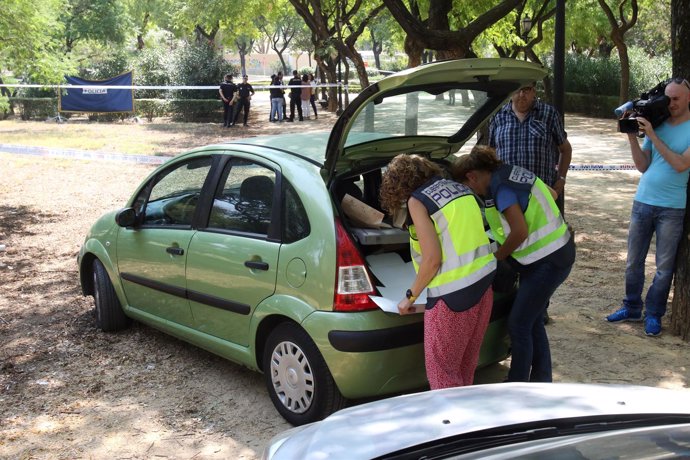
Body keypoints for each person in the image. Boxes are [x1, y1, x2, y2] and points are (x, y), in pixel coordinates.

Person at [454, 145, 575, 383]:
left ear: (472, 176)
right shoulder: (510, 172)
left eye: (469, 187)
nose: (473, 192)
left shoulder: (501, 187)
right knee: (533, 321)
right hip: (555, 253)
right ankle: (542, 380)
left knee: (519, 324)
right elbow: (550, 194)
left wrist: (498, 257)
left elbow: (519, 231)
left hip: (546, 262)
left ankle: (517, 383)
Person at [379, 154, 496, 389]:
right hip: (484, 288)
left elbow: (432, 259)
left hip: (452, 300)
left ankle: (451, 424)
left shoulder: (418, 201)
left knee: (442, 375)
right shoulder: (461, 189)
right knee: (466, 366)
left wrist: (409, 296)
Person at [605, 78, 690, 337]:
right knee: (633, 262)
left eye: (676, 98)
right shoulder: (660, 123)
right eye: (667, 97)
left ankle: (653, 314)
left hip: (672, 207)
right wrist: (632, 137)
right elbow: (642, 166)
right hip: (643, 201)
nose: (670, 103)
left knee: (664, 268)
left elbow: (680, 165)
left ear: (688, 98)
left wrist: (652, 134)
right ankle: (631, 307)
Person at [488, 81, 572, 215]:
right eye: (518, 90)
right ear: (511, 92)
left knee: (544, 235)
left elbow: (566, 149)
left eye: (526, 90)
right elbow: (490, 153)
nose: (522, 95)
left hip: (541, 194)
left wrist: (562, 178)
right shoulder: (497, 116)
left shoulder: (548, 114)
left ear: (534, 91)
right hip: (508, 197)